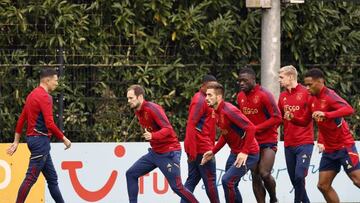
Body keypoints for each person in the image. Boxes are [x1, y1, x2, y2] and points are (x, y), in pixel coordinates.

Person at [284, 68, 360, 203]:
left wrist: (327, 114)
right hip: (329, 150)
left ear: (320, 82)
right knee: (323, 186)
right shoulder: (311, 99)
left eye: (310, 84)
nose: (307, 88)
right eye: (305, 85)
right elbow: (304, 121)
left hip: (344, 146)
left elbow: (349, 109)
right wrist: (292, 118)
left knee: (357, 180)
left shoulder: (330, 95)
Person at [6, 68, 72, 203]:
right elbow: (50, 123)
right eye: (55, 80)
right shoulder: (45, 97)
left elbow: (21, 119)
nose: (57, 83)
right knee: (30, 178)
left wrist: (16, 141)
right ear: (47, 81)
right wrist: (64, 139)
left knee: (52, 179)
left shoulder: (32, 95)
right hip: (40, 142)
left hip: (36, 142)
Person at [125, 85, 198, 203]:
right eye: (128, 98)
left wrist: (153, 136)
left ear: (140, 97)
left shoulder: (152, 108)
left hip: (169, 151)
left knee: (177, 187)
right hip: (155, 152)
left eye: (131, 98)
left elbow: (168, 129)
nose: (128, 101)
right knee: (131, 174)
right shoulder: (138, 111)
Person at [201, 81, 260, 203]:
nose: (206, 98)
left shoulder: (229, 110)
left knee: (227, 181)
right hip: (235, 153)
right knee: (231, 184)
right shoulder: (216, 111)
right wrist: (213, 152)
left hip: (249, 154)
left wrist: (244, 152)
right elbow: (225, 134)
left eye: (210, 95)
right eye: (206, 95)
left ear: (219, 97)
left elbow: (251, 128)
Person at [237, 67, 281, 203]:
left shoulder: (264, 95)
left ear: (253, 80)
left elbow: (277, 118)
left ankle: (273, 199)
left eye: (245, 80)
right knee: (255, 176)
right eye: (239, 81)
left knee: (264, 173)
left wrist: (256, 129)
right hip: (251, 142)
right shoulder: (240, 97)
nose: (241, 83)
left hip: (268, 140)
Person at [278, 65, 314, 203]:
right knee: (295, 181)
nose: (279, 80)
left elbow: (311, 118)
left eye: (281, 77)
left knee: (299, 176)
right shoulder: (282, 96)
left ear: (291, 77)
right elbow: (279, 118)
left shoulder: (306, 93)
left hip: (304, 143)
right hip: (288, 144)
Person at [182, 75, 220, 203]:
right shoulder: (200, 100)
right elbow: (191, 124)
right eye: (210, 87)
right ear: (203, 86)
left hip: (201, 147)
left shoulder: (208, 100)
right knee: (210, 182)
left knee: (192, 180)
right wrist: (192, 150)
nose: (212, 90)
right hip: (202, 149)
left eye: (215, 87)